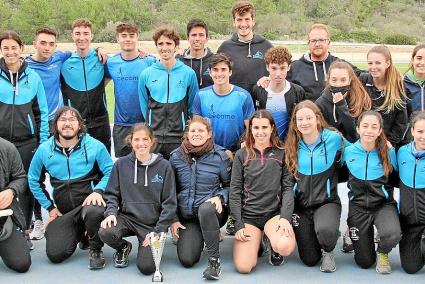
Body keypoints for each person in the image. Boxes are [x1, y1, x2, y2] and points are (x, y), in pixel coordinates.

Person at [28, 106, 113, 270]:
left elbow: (111, 171)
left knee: (94, 210)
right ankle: (81, 233)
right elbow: (33, 180)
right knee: (55, 254)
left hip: (89, 206)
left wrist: (98, 191)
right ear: (56, 124)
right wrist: (50, 208)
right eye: (63, 119)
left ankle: (95, 249)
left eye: (72, 119)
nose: (68, 123)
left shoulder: (95, 146)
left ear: (80, 124)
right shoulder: (44, 150)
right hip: (64, 212)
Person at [99, 123, 177, 275]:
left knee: (146, 268)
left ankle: (148, 245)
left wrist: (158, 230)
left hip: (151, 224)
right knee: (105, 231)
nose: (141, 144)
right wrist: (111, 213)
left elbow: (169, 203)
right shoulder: (120, 164)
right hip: (128, 218)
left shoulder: (165, 166)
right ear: (131, 141)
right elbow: (111, 194)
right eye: (137, 140)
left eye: (145, 139)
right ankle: (123, 247)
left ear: (152, 141)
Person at [230, 110, 296, 274]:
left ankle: (272, 241)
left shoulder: (282, 152)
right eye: (256, 127)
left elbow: (288, 188)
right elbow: (235, 191)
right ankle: (258, 240)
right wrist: (238, 224)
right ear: (250, 129)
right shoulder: (241, 154)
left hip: (273, 215)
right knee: (244, 267)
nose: (260, 132)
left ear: (272, 128)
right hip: (249, 217)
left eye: (264, 127)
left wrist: (285, 218)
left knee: (285, 247)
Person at [0, 31, 49, 249]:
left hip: (27, 142)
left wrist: (43, 143)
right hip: (1, 143)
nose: (10, 52)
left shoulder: (34, 77)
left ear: (21, 48)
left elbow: (42, 113)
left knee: (26, 187)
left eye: (14, 47)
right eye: (6, 48)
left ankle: (25, 230)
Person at [284, 100, 344, 272]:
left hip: (326, 202)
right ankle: (311, 237)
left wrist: (383, 145)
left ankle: (328, 250)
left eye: (308, 118)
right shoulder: (291, 145)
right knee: (310, 260)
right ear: (295, 123)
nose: (304, 123)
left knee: (326, 231)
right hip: (301, 207)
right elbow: (288, 183)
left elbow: (356, 149)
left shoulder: (333, 139)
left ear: (317, 118)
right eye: (299, 119)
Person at [169, 116, 231, 280]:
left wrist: (221, 197)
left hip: (213, 211)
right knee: (187, 259)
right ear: (187, 134)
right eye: (193, 130)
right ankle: (202, 236)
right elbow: (169, 191)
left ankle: (214, 261)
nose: (196, 134)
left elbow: (231, 186)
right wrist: (174, 219)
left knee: (206, 208)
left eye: (201, 130)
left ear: (209, 134)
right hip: (188, 216)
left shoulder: (220, 156)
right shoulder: (176, 157)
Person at [343, 110, 401, 274]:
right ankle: (356, 235)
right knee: (364, 262)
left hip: (383, 205)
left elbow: (398, 178)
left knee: (392, 234)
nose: (369, 130)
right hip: (358, 207)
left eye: (374, 127)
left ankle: (383, 252)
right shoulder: (348, 152)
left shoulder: (389, 152)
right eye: (365, 126)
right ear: (358, 129)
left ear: (380, 130)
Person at [138, 27, 199, 159]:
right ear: (156, 46)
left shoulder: (188, 73)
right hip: (154, 138)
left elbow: (193, 106)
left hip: (179, 138)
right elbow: (144, 105)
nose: (164, 48)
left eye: (169, 43)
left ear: (176, 46)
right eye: (160, 44)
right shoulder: (146, 74)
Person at [105, 23, 156, 157]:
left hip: (145, 124)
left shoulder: (149, 61)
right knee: (124, 169)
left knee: (146, 166)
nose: (128, 39)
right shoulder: (111, 63)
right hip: (121, 125)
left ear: (137, 38)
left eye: (131, 35)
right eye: (124, 36)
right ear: (117, 38)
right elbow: (100, 85)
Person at [61, 18, 111, 152]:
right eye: (77, 33)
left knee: (103, 165)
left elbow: (110, 74)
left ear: (91, 36)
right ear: (72, 36)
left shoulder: (102, 59)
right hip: (75, 123)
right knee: (79, 165)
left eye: (86, 33)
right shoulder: (64, 63)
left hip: (101, 121)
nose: (81, 37)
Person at [192, 53, 255, 153]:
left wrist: (243, 148)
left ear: (230, 72)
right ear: (210, 72)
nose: (219, 73)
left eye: (223, 69)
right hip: (208, 152)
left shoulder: (244, 96)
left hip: (236, 152)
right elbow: (196, 128)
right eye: (215, 69)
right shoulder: (200, 96)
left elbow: (250, 128)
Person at [217, 1, 273, 94]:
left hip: (260, 102)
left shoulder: (267, 46)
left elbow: (277, 72)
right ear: (234, 22)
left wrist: (269, 79)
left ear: (253, 21)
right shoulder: (225, 48)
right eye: (239, 20)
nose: (243, 24)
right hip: (234, 101)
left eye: (247, 19)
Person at [251, 47, 306, 141]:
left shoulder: (298, 91)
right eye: (274, 68)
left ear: (288, 67)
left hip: (290, 144)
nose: (278, 73)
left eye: (282, 68)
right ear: (267, 67)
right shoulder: (258, 90)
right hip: (265, 144)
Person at [360, 45, 408, 148]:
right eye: (370, 63)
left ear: (388, 63)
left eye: (378, 63)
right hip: (364, 142)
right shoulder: (362, 81)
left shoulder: (397, 86)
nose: (373, 67)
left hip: (387, 144)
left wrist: (390, 142)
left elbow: (401, 121)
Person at [316, 60, 371, 143]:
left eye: (343, 80)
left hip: (355, 146)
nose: (338, 84)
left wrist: (341, 106)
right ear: (329, 80)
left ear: (350, 80)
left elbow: (355, 134)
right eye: (334, 80)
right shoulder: (321, 103)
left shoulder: (360, 99)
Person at [397, 112, 425, 274]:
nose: (424, 136)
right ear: (412, 131)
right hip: (409, 221)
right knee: (411, 267)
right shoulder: (402, 152)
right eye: (420, 131)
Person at [0, 137, 31, 273]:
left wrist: (11, 191)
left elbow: (20, 177)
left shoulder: (7, 147)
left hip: (3, 216)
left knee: (21, 263)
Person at [176, 19, 214, 89]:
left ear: (206, 38)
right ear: (188, 38)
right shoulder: (178, 60)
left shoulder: (214, 60)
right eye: (194, 35)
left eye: (201, 35)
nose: (197, 38)